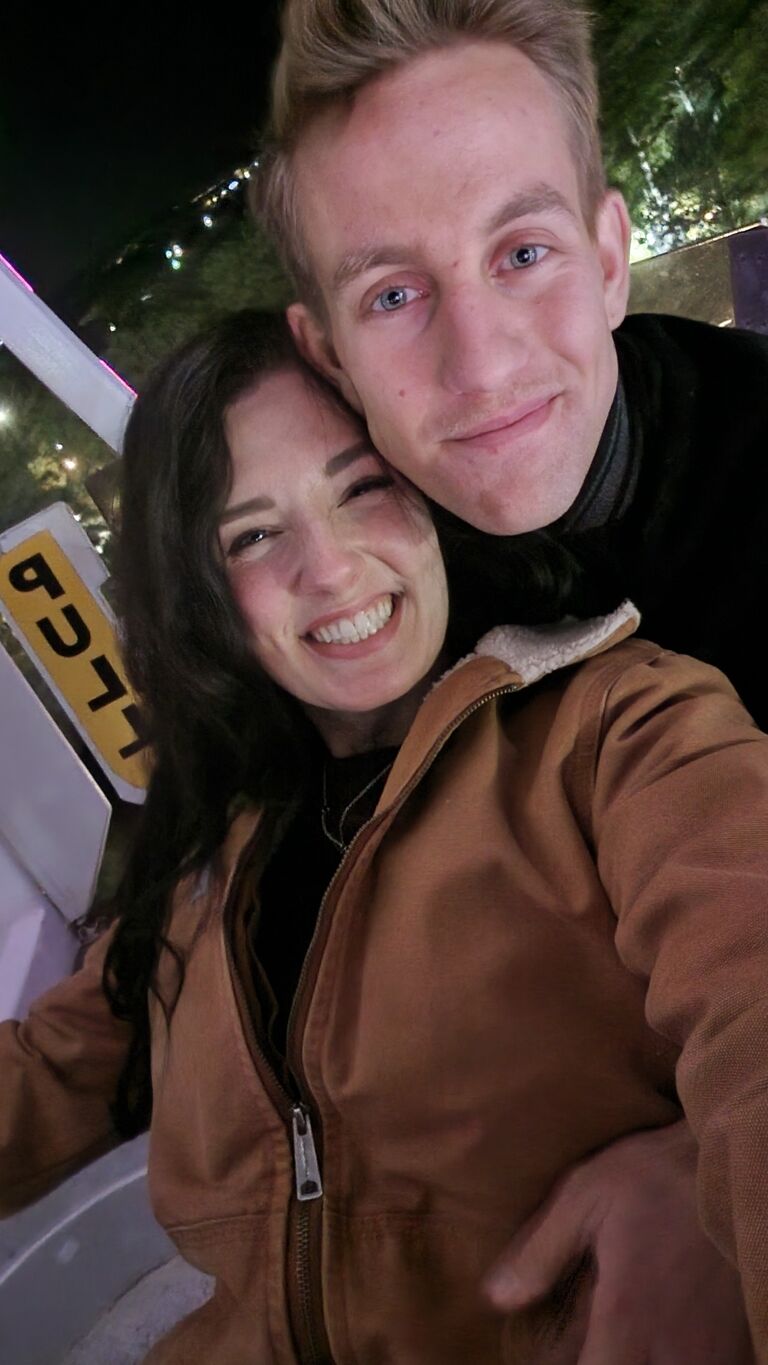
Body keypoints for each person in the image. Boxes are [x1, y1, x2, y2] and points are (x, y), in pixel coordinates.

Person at [0, 310, 762, 1363]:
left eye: (364, 486)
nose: (332, 569)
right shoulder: (213, 851)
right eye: (254, 534)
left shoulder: (620, 730)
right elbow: (47, 1075)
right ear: (203, 597)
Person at [251, 0, 768, 1351]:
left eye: (523, 252)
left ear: (609, 258)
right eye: (395, 294)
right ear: (328, 354)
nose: (479, 367)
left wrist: (698, 1171)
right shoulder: (353, 616)